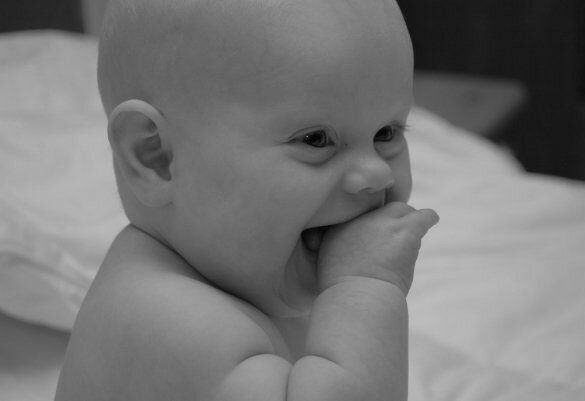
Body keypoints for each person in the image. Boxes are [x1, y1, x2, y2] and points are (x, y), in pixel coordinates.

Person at [55, 0, 439, 400]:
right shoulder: (166, 318)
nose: (378, 173)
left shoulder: (246, 275)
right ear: (157, 158)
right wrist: (365, 288)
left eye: (387, 133)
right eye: (315, 139)